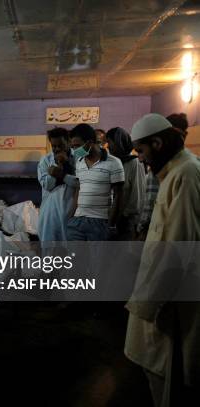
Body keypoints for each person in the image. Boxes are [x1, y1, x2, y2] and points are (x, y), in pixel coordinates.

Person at [125, 113, 200, 406]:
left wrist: (146, 303)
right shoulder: (174, 173)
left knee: (168, 373)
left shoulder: (186, 174)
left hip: (169, 297)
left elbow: (179, 248)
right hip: (161, 290)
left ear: (157, 143)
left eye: (142, 151)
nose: (141, 159)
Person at [67, 123, 125, 241]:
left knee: (96, 259)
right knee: (76, 258)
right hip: (77, 221)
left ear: (89, 142)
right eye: (72, 146)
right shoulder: (79, 162)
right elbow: (79, 189)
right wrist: (71, 216)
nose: (74, 150)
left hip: (100, 222)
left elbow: (119, 195)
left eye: (77, 146)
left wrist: (111, 225)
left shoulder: (114, 163)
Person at [138, 113, 191, 240]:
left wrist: (142, 228)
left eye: (141, 151)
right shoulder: (161, 163)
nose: (140, 158)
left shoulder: (186, 169)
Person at [37, 127, 78, 241]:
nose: (57, 149)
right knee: (50, 248)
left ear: (69, 142)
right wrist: (58, 164)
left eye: (61, 145)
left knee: (70, 249)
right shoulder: (45, 160)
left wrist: (62, 173)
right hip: (50, 212)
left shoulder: (78, 157)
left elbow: (80, 182)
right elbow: (47, 185)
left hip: (72, 210)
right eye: (54, 146)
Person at [105, 127, 146, 240]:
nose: (108, 146)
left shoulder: (135, 163)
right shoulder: (114, 163)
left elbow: (137, 196)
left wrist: (123, 217)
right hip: (111, 218)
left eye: (109, 142)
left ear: (119, 142)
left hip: (126, 221)